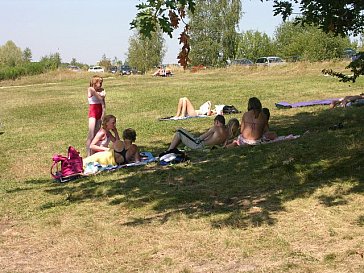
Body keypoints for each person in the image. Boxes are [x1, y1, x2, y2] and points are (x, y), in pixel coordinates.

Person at [86, 75, 106, 156]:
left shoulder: (102, 90)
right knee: (91, 133)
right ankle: (88, 154)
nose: (101, 84)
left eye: (101, 83)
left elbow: (103, 104)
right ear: (95, 83)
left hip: (99, 111)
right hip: (93, 112)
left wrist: (103, 114)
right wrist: (102, 95)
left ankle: (94, 152)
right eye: (99, 83)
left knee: (97, 133)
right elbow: (100, 98)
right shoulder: (90, 89)